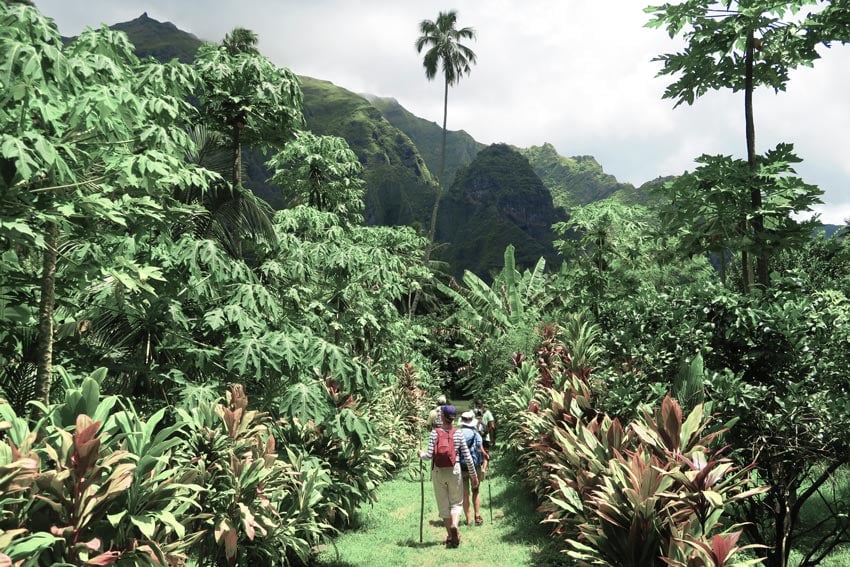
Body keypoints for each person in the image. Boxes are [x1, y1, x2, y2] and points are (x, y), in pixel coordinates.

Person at [419, 405, 478, 548]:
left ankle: (451, 536)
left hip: (438, 471)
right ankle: (454, 525)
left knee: (443, 504)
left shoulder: (435, 433)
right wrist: (473, 475)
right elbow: (468, 457)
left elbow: (428, 455)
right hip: (455, 470)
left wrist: (420, 454)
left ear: (443, 417)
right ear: (453, 418)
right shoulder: (458, 433)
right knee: (456, 503)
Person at [459, 410, 489, 526]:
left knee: (465, 493)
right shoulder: (475, 433)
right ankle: (477, 515)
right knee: (475, 490)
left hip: (461, 466)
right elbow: (479, 448)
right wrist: (485, 455)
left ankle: (468, 519)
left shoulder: (458, 433)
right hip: (474, 465)